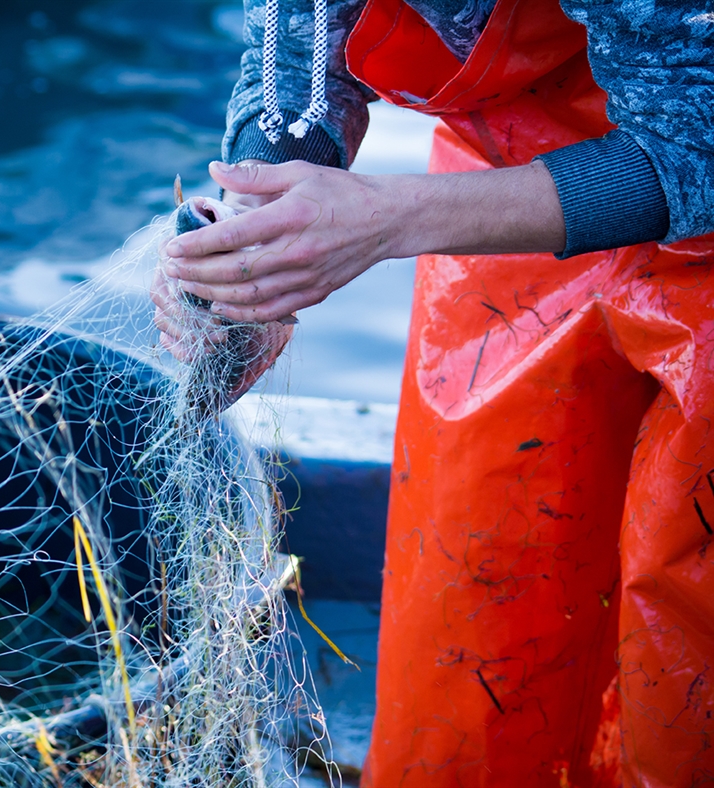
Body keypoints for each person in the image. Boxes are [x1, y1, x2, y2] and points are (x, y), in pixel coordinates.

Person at [152, 0, 714, 785]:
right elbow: (301, 52)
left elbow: (698, 139)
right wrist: (256, 237)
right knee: (468, 642)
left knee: (686, 675)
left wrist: (388, 222)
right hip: (507, 190)